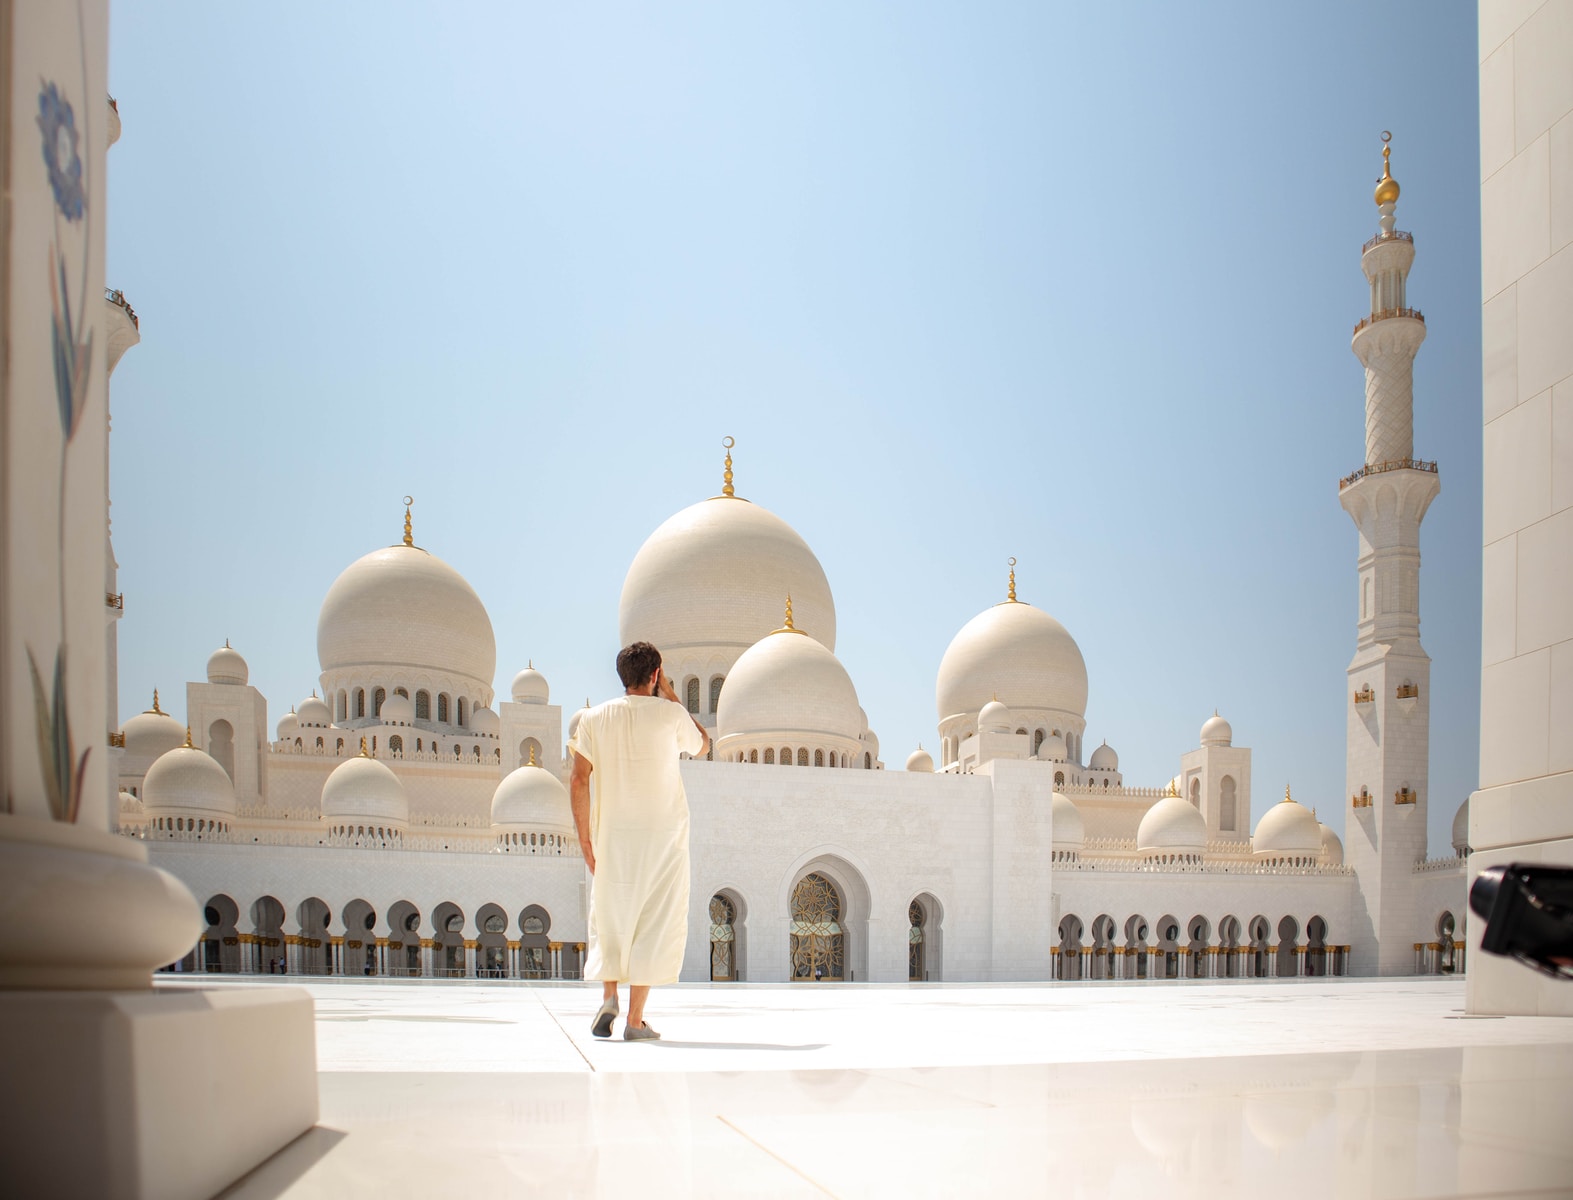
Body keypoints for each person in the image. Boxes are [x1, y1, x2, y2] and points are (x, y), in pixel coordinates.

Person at [569, 641, 709, 1041]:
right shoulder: (670, 716)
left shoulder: (593, 719)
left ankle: (609, 996)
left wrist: (585, 840)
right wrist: (671, 696)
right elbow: (703, 745)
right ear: (655, 675)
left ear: (621, 676)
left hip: (611, 837)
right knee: (654, 920)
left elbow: (579, 779)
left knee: (611, 918)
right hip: (663, 838)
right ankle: (634, 1021)